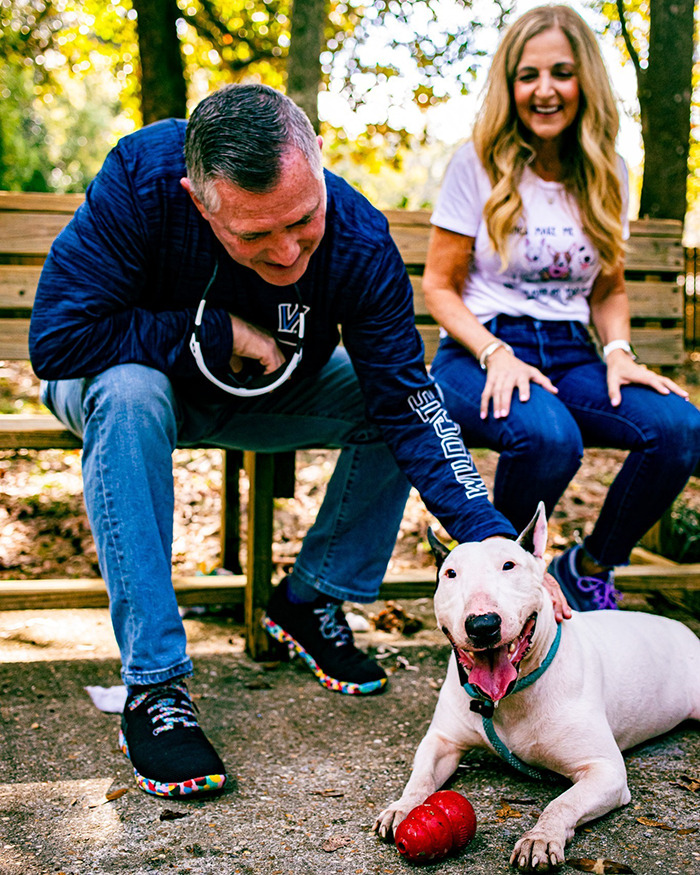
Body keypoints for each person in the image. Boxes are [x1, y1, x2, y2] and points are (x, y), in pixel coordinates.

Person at [29, 83, 553, 800]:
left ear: (318, 162)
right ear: (197, 199)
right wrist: (215, 331)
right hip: (121, 386)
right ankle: (155, 685)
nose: (286, 250)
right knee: (129, 393)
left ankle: (310, 597)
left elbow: (408, 401)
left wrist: (494, 542)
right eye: (254, 235)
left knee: (388, 396)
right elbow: (58, 341)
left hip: (262, 392)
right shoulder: (141, 177)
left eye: (303, 219)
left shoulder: (359, 239)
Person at [424, 5, 700, 617]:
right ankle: (497, 594)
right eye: (528, 75)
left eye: (561, 73)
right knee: (550, 439)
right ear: (510, 86)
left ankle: (589, 568)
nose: (544, 90)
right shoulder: (477, 162)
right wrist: (496, 353)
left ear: (585, 83)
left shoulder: (609, 170)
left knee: (679, 427)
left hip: (572, 354)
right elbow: (439, 287)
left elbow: (608, 289)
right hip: (479, 352)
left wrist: (619, 353)